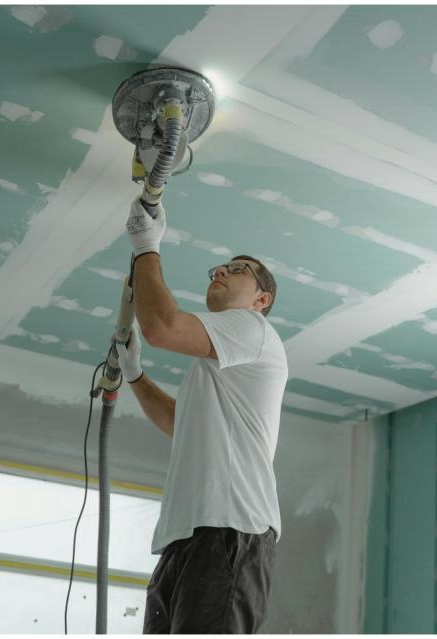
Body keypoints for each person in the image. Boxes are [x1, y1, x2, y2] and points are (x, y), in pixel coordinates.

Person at [117, 196, 289, 634]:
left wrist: (145, 246)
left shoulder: (253, 330)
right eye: (217, 268)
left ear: (261, 299)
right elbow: (180, 423)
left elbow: (161, 327)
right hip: (187, 536)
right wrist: (135, 375)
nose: (220, 272)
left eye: (236, 270)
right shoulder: (213, 368)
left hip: (231, 529)